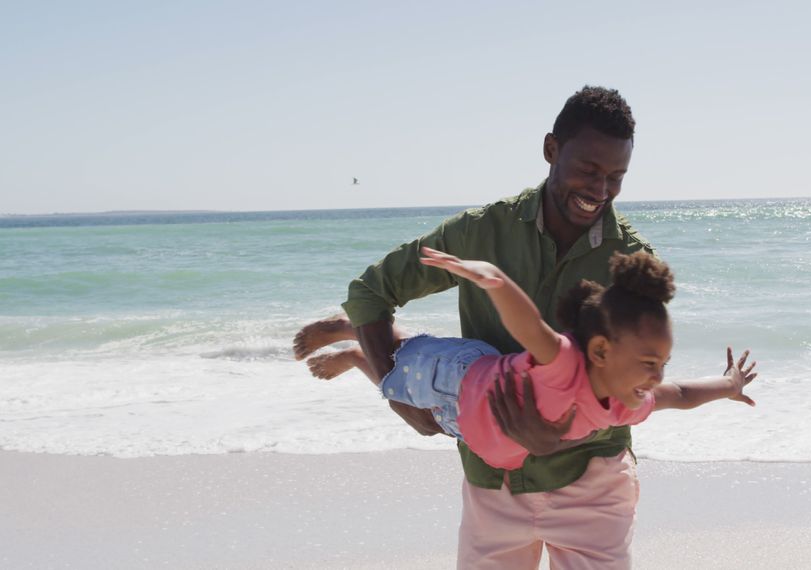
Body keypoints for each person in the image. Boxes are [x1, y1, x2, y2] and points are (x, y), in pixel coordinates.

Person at [294, 86, 732, 568]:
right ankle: (361, 345)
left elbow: (634, 386)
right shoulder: (483, 231)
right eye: (589, 170)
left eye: (616, 177)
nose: (600, 191)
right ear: (550, 150)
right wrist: (397, 393)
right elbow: (370, 293)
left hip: (593, 484)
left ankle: (357, 345)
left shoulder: (631, 264)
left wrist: (558, 439)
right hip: (492, 480)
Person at [304, 246, 757, 471]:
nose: (657, 375)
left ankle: (356, 347)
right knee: (394, 376)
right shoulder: (564, 362)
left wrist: (730, 385)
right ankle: (353, 336)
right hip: (460, 379)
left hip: (466, 423)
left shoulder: (627, 402)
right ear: (600, 350)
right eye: (648, 362)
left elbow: (679, 394)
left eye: (663, 362)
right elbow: (529, 327)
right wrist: (493, 280)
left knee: (419, 420)